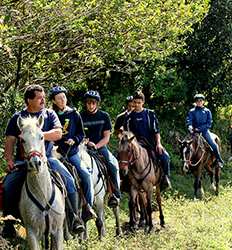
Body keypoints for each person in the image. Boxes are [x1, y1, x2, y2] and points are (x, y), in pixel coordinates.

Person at [2, 84, 84, 238]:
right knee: (8, 185)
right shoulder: (17, 118)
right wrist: (9, 160)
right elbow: (10, 141)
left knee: (70, 180)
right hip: (23, 162)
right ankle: (9, 224)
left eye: (44, 98)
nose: (43, 101)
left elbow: (58, 133)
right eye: (40, 98)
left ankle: (74, 218)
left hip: (48, 159)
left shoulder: (50, 114)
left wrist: (37, 134)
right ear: (29, 100)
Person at [49, 86, 96, 222]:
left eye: (64, 97)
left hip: (72, 152)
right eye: (59, 98)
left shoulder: (74, 113)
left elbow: (81, 134)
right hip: (55, 153)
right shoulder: (50, 115)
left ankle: (88, 207)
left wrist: (74, 139)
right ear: (54, 100)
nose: (63, 100)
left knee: (85, 174)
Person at [80, 90, 121, 207]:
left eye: (93, 103)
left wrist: (96, 145)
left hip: (100, 146)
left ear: (97, 103)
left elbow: (106, 137)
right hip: (84, 148)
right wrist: (84, 142)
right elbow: (78, 134)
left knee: (111, 165)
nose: (91, 105)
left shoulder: (104, 116)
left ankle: (115, 193)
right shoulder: (80, 116)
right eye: (88, 103)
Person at [124, 91, 171, 189]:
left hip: (150, 143)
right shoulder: (128, 117)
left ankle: (165, 178)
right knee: (121, 157)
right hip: (135, 146)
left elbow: (156, 131)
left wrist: (159, 144)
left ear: (143, 102)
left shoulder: (150, 114)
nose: (136, 105)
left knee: (165, 157)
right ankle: (123, 181)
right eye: (135, 102)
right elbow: (126, 134)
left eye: (139, 102)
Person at [186, 93, 224, 167]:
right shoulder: (192, 111)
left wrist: (199, 129)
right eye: (197, 101)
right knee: (185, 145)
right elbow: (189, 119)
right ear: (195, 102)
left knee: (214, 145)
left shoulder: (207, 111)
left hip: (204, 131)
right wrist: (189, 126)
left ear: (203, 102)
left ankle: (219, 160)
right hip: (193, 132)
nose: (199, 102)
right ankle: (185, 162)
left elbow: (209, 123)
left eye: (201, 100)